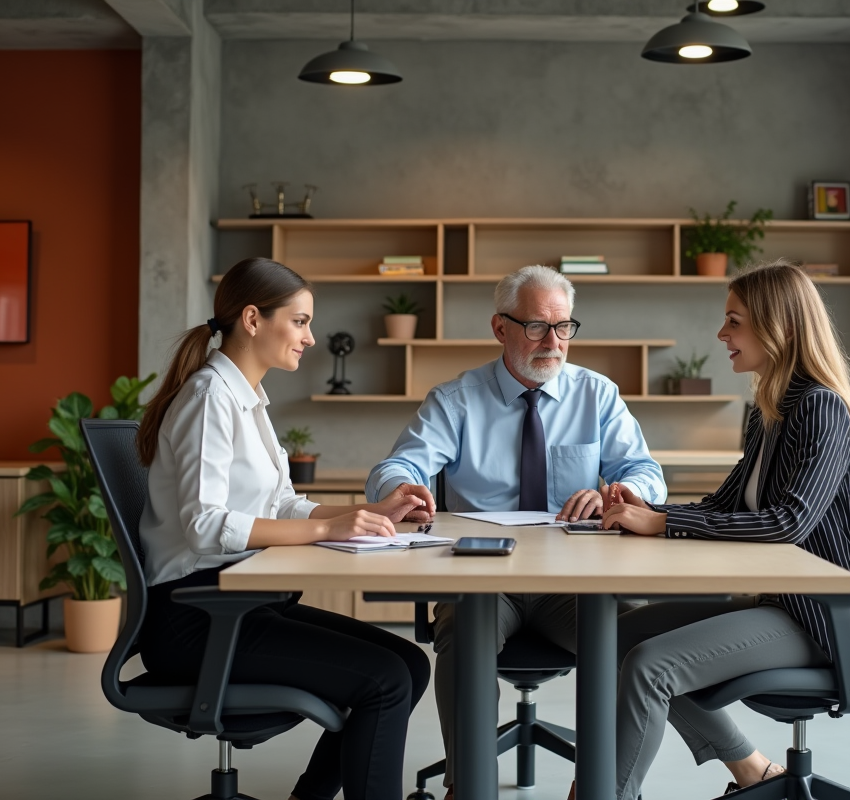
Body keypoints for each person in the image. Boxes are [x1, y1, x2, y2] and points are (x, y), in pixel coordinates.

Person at [136, 257, 435, 800]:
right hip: (197, 619)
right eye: (299, 322)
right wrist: (328, 532)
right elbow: (205, 527)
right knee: (386, 681)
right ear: (253, 319)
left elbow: (281, 503)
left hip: (239, 602)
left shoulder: (247, 399)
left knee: (410, 664)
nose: (310, 338)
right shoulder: (210, 398)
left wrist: (366, 516)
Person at [365, 265, 667, 798]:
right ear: (500, 328)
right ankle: (467, 785)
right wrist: (404, 489)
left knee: (646, 645)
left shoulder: (596, 395)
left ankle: (604, 788)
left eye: (564, 327)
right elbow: (396, 468)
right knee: (462, 631)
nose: (553, 341)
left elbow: (647, 475)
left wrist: (619, 494)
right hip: (486, 577)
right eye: (536, 327)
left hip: (575, 582)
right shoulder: (456, 400)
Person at [600, 260, 850, 800]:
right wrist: (650, 510)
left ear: (775, 326)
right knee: (618, 637)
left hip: (824, 618)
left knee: (649, 665)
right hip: (781, 602)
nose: (721, 334)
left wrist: (664, 522)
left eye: (733, 321)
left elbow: (789, 522)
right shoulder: (767, 410)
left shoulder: (819, 408)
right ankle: (747, 769)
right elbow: (726, 503)